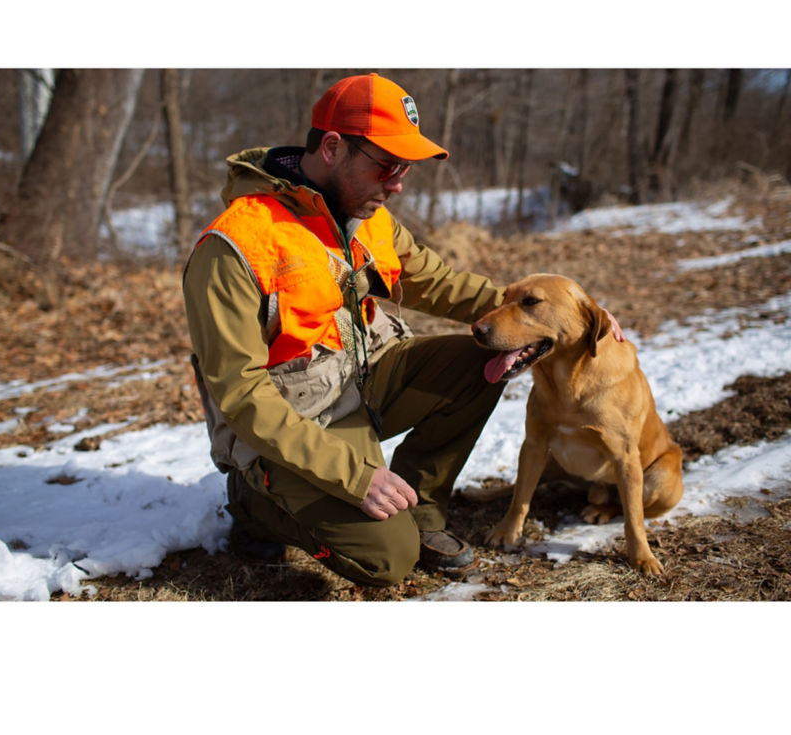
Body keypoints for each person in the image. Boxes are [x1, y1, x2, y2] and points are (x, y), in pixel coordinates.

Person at [183, 72, 622, 588]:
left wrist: (540, 314)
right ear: (332, 148)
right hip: (296, 420)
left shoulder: (368, 213)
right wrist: (355, 477)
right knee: (387, 559)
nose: (397, 184)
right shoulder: (233, 247)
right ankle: (255, 505)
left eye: (405, 169)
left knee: (480, 362)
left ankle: (422, 511)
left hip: (362, 382)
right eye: (387, 166)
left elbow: (437, 282)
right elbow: (241, 394)